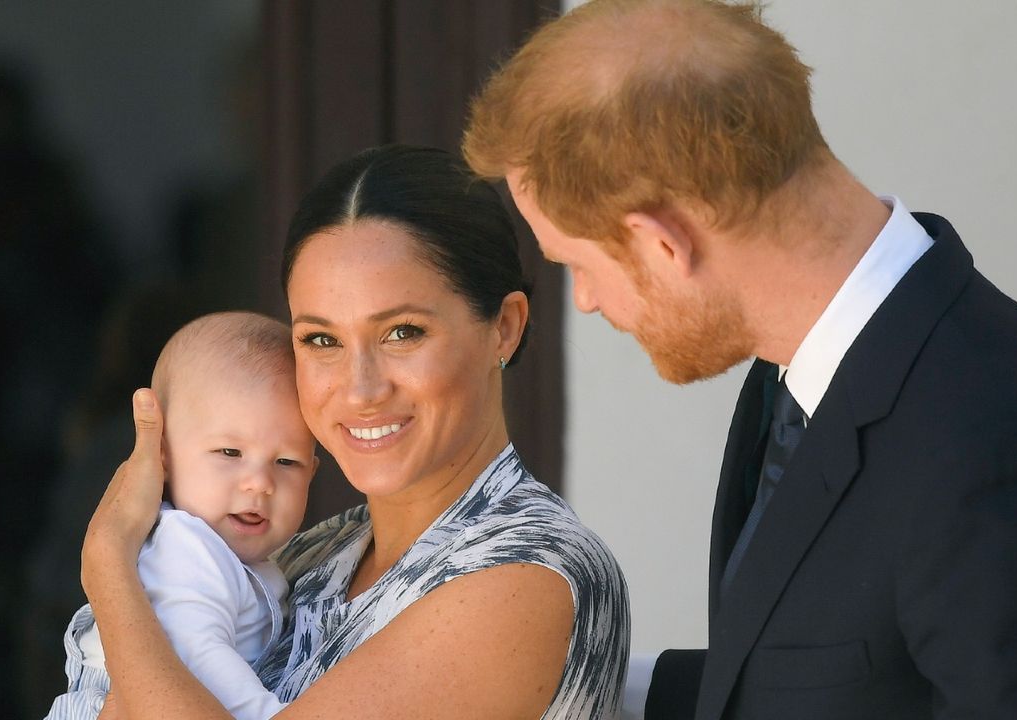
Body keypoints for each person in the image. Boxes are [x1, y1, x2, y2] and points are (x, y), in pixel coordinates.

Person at [462, 1, 1017, 718]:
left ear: (663, 243)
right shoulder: (802, 364)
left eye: (577, 264)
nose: (588, 301)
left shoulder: (995, 458)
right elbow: (833, 679)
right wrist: (565, 685)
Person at [79, 145, 630, 719]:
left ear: (505, 329)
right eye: (322, 340)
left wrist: (109, 564)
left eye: (402, 333)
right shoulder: (316, 553)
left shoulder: (526, 573)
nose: (360, 390)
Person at [47, 311, 318, 720]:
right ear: (163, 458)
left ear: (313, 472)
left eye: (287, 462)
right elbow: (197, 655)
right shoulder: (187, 548)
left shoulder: (238, 557)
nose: (260, 483)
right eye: (230, 453)